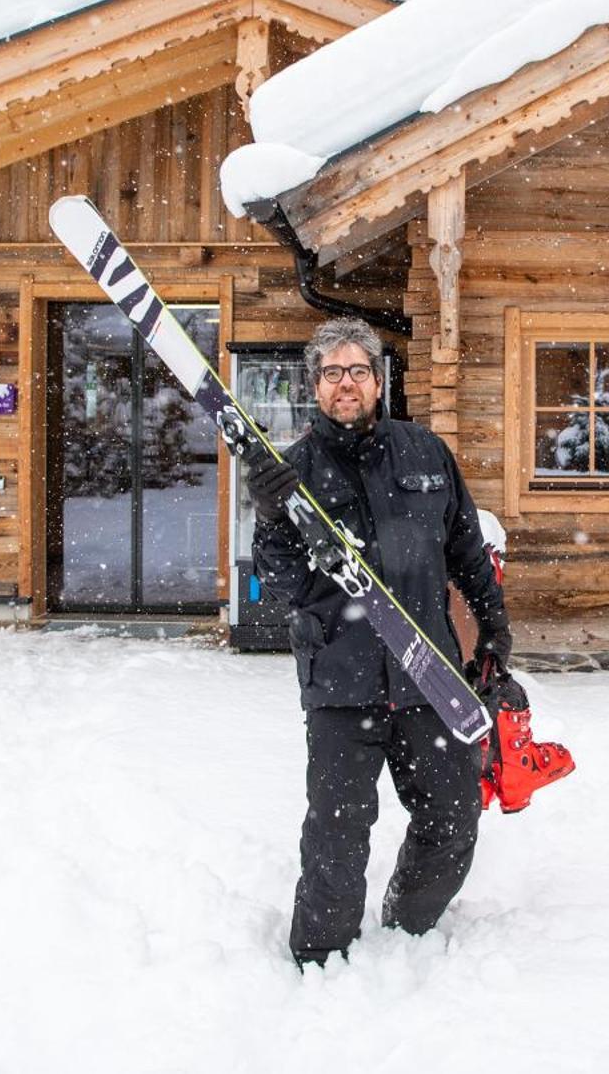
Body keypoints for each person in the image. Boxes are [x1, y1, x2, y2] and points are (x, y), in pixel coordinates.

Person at [246, 316, 511, 969]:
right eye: (332, 371)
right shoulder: (295, 471)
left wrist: (494, 632)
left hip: (428, 676)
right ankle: (319, 957)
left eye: (357, 370)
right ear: (315, 384)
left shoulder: (426, 454)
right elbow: (281, 583)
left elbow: (467, 554)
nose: (346, 383)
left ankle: (406, 925)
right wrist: (273, 519)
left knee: (452, 821)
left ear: (377, 379)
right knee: (336, 835)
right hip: (341, 680)